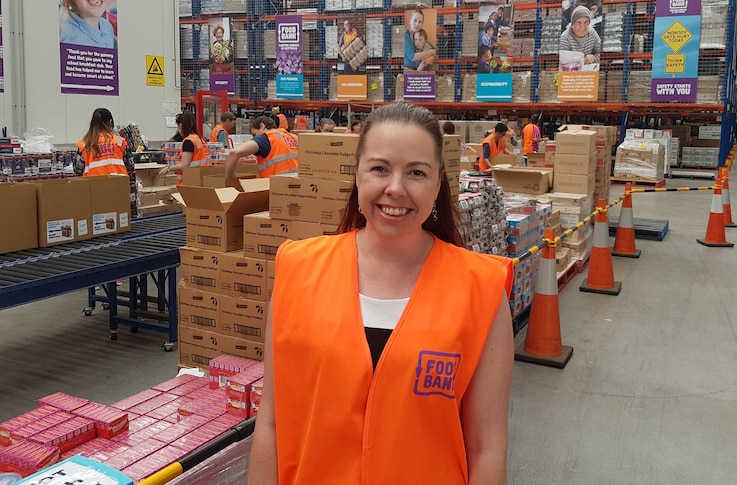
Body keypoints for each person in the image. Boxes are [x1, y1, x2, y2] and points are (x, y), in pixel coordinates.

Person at [247, 102, 513, 484]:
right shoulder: (297, 271)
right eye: (379, 168)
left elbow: (486, 448)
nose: (395, 188)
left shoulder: (481, 290)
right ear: (357, 174)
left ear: (438, 184)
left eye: (417, 173)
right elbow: (271, 423)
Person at [224, 116, 297, 180]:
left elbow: (234, 153)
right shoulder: (293, 137)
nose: (255, 138)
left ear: (262, 126)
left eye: (255, 134)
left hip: (275, 187)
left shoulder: (267, 138)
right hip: (298, 186)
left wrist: (226, 180)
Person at [158, 112, 211, 185]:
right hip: (200, 178)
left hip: (191, 181)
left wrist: (168, 168)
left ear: (180, 125)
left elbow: (184, 165)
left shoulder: (188, 142)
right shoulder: (197, 138)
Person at [75, 108, 129, 177]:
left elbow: (77, 170)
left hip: (93, 186)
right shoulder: (120, 142)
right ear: (110, 122)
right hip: (118, 185)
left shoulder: (85, 143)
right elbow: (130, 169)